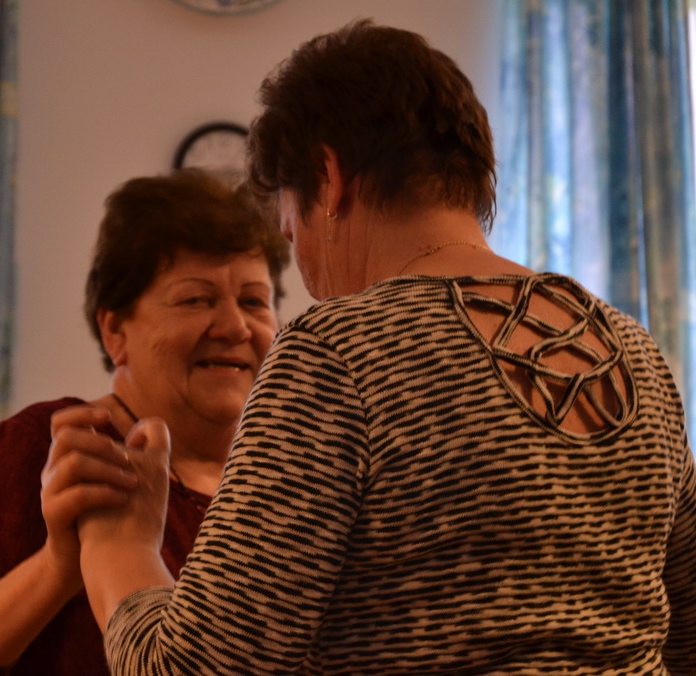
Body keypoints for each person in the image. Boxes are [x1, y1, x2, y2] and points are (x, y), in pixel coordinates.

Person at [74, 18, 696, 674]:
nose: (305, 270)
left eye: (291, 231)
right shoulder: (632, 350)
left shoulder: (336, 354)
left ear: (329, 177)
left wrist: (122, 547)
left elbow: (196, 668)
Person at [0, 168, 290, 674]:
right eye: (196, 299)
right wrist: (57, 566)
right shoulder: (59, 449)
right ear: (114, 330)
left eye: (254, 301)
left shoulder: (287, 479)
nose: (235, 326)